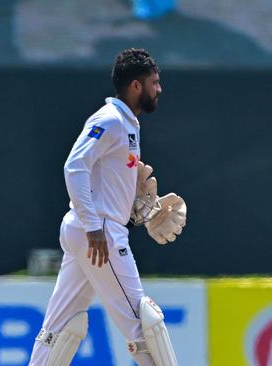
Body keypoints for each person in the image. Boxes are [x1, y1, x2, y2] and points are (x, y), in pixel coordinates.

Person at [28, 48, 187, 366]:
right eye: (154, 83)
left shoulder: (127, 124)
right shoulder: (111, 120)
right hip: (99, 232)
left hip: (92, 229)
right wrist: (92, 226)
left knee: (59, 328)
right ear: (136, 86)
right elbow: (74, 166)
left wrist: (138, 204)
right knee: (144, 322)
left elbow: (101, 179)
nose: (159, 89)